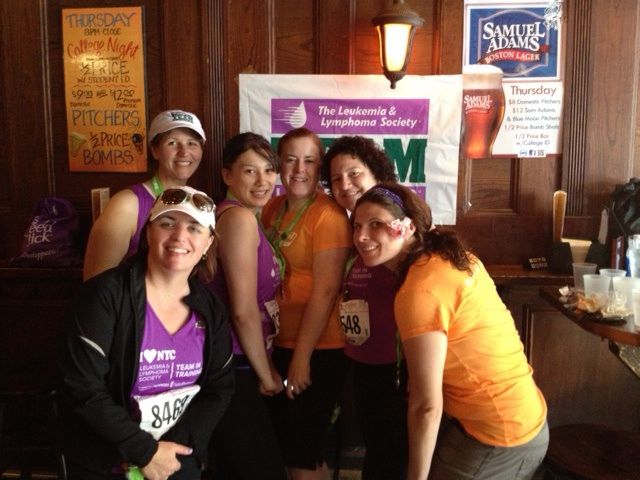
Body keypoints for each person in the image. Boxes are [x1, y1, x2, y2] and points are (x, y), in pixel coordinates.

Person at [352, 183, 549, 480]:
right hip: (521, 415)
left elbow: (426, 407)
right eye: (356, 226)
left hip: (500, 434)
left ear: (408, 227)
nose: (361, 236)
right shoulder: (451, 257)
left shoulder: (420, 289)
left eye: (376, 224)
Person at [58, 186, 234, 480]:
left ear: (208, 244)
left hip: (175, 459)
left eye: (194, 228)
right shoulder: (104, 296)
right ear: (148, 233)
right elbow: (82, 386)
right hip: (108, 461)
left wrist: (171, 452)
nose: (180, 236)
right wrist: (144, 451)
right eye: (167, 223)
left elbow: (220, 387)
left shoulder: (210, 309)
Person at [262, 128, 352, 480]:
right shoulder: (272, 208)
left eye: (310, 161)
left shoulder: (328, 217)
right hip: (278, 343)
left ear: (320, 168)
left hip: (319, 349)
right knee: (292, 450)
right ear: (279, 164)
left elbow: (326, 292)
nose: (300, 169)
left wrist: (302, 358)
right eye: (291, 159)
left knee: (303, 455)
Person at [322, 136, 407, 480]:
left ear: (377, 173)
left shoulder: (400, 225)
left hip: (400, 366)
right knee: (376, 447)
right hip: (362, 361)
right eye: (336, 178)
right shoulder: (351, 230)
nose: (345, 184)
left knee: (393, 455)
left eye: (354, 173)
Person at [207, 132, 286, 479]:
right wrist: (266, 373)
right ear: (227, 175)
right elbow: (242, 310)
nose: (262, 181)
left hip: (238, 359)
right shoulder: (238, 219)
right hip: (235, 363)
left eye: (269, 170)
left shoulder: (245, 217)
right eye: (250, 171)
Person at [83, 109, 206, 281]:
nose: (184, 152)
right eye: (172, 143)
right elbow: (95, 285)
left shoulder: (197, 203)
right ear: (155, 150)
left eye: (192, 143)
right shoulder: (127, 204)